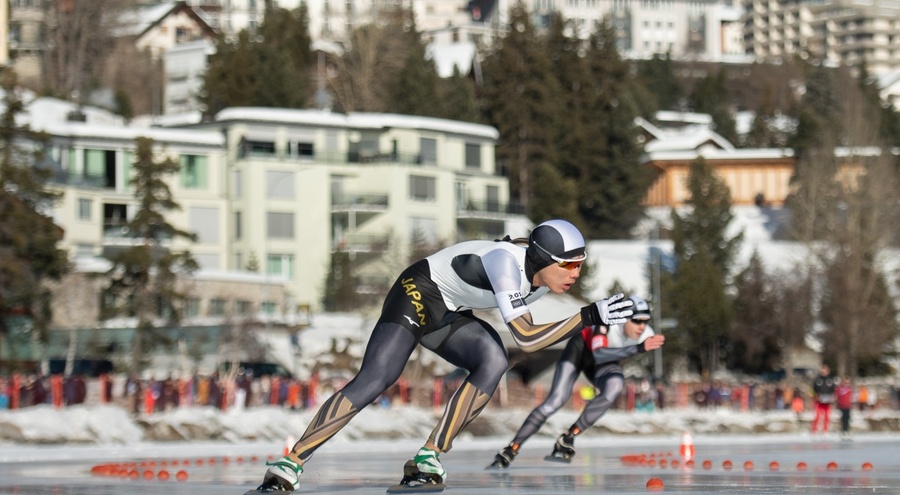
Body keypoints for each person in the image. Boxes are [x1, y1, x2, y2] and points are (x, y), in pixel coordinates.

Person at [254, 219, 635, 492]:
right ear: (541, 258)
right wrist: (587, 316)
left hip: (449, 311)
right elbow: (528, 337)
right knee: (378, 378)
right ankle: (291, 461)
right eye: (568, 264)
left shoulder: (540, 281)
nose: (575, 273)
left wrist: (585, 317)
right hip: (418, 291)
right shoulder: (507, 263)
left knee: (494, 362)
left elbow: (532, 334)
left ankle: (429, 455)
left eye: (580, 263)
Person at [488, 296, 664, 468]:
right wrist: (639, 348)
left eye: (645, 321)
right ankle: (512, 447)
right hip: (580, 352)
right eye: (636, 321)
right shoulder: (608, 323)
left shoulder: (646, 334)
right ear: (624, 318)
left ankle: (569, 436)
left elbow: (608, 357)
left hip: (604, 364)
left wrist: (637, 348)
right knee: (555, 401)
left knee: (615, 386)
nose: (641, 326)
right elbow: (599, 354)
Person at [811, 364, 836, 434]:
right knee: (817, 416)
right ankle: (814, 430)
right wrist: (816, 395)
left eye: (825, 371)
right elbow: (814, 389)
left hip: (827, 400)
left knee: (827, 416)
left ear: (828, 371)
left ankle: (825, 430)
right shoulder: (818, 379)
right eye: (822, 371)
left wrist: (832, 396)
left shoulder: (830, 379)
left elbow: (833, 389)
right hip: (819, 400)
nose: (824, 372)